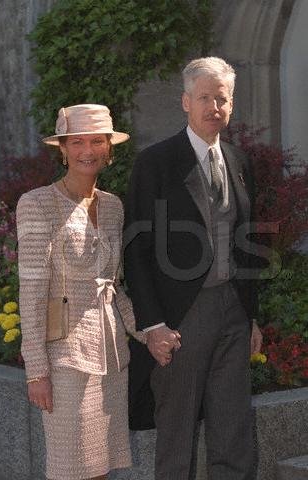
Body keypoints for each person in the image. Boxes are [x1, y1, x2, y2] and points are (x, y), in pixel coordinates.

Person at [124, 57, 263, 479]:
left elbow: (249, 244)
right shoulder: (156, 163)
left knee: (233, 428)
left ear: (232, 105)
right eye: (205, 97)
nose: (213, 106)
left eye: (222, 99)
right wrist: (152, 325)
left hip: (233, 313)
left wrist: (253, 317)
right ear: (186, 102)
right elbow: (137, 250)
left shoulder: (240, 163)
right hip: (181, 318)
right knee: (177, 433)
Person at [16, 104, 144, 480]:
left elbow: (115, 287)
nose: (87, 150)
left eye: (96, 141)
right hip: (65, 359)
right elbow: (32, 289)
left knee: (100, 467)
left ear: (109, 148)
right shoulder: (37, 204)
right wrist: (36, 370)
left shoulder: (114, 207)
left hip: (111, 356)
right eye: (77, 142)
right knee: (71, 468)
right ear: (63, 149)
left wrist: (147, 331)